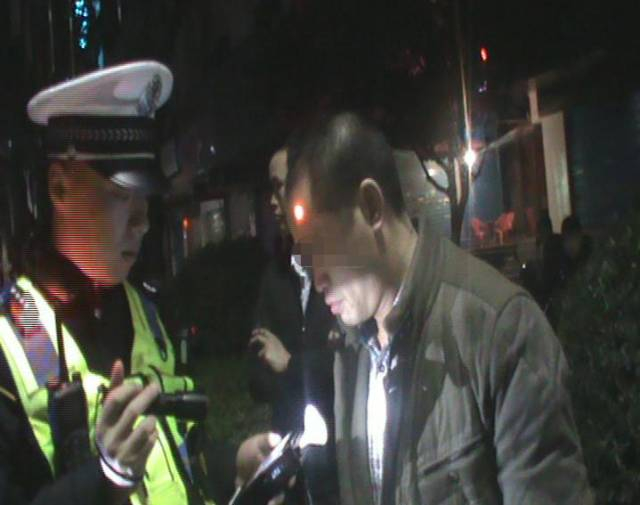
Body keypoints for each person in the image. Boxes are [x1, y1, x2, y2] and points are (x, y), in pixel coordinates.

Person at [237, 112, 593, 505]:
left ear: (371, 206)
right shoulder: (352, 343)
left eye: (319, 246)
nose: (314, 276)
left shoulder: (499, 330)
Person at [0, 62, 225, 505]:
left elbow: (179, 460)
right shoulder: (12, 342)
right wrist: (103, 481)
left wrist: (232, 465)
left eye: (144, 198)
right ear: (59, 188)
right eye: (121, 196)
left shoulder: (148, 312)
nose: (142, 222)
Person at [248, 143, 339, 504]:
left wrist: (290, 364)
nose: (272, 202)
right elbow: (256, 377)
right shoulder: (275, 276)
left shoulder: (342, 274)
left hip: (340, 468)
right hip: (291, 470)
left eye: (279, 187)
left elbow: (348, 367)